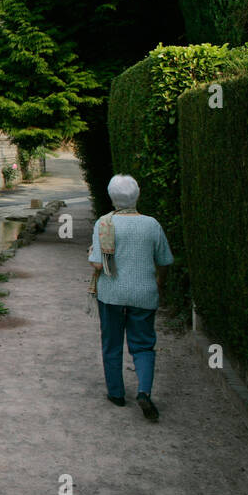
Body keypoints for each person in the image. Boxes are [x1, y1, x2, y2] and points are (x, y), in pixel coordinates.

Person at [87, 174, 173, 421]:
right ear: (137, 195)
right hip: (144, 294)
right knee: (144, 345)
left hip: (111, 294)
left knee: (112, 343)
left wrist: (92, 254)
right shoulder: (152, 224)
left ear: (112, 198)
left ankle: (116, 393)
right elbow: (165, 261)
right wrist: (159, 283)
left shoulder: (104, 224)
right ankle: (144, 392)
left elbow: (98, 265)